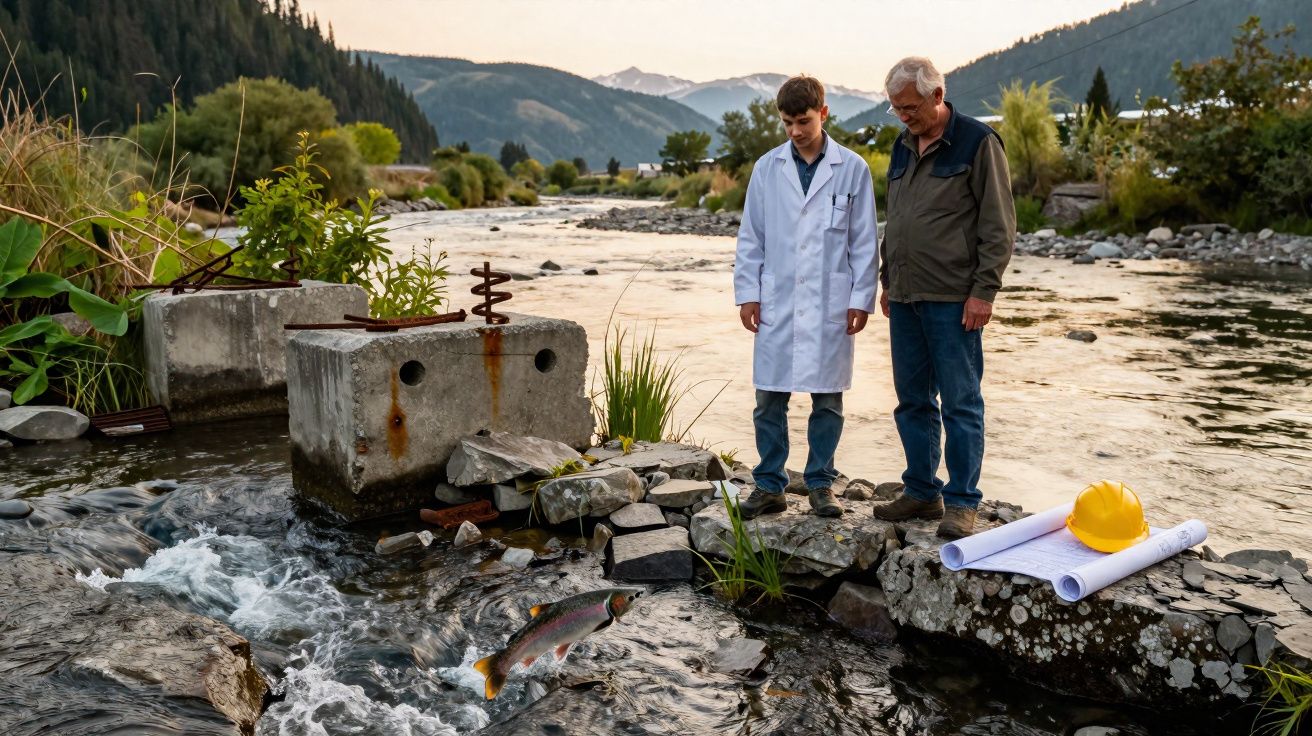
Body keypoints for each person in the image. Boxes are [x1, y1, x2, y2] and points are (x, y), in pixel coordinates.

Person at [870, 57, 1016, 539]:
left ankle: (962, 502)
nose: (903, 116)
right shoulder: (902, 145)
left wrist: (984, 292)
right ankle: (921, 491)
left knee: (960, 401)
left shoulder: (978, 142)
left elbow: (999, 225)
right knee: (911, 399)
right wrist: (890, 281)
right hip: (907, 295)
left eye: (909, 107)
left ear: (937, 96)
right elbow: (899, 218)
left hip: (956, 298)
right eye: (895, 109)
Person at [733, 74, 879, 520]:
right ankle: (770, 484)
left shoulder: (852, 168)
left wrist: (861, 298)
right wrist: (748, 294)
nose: (795, 131)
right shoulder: (767, 168)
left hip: (830, 301)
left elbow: (864, 241)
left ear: (824, 114)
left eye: (803, 121)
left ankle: (820, 484)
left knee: (828, 398)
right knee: (769, 398)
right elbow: (751, 237)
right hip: (777, 297)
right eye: (787, 123)